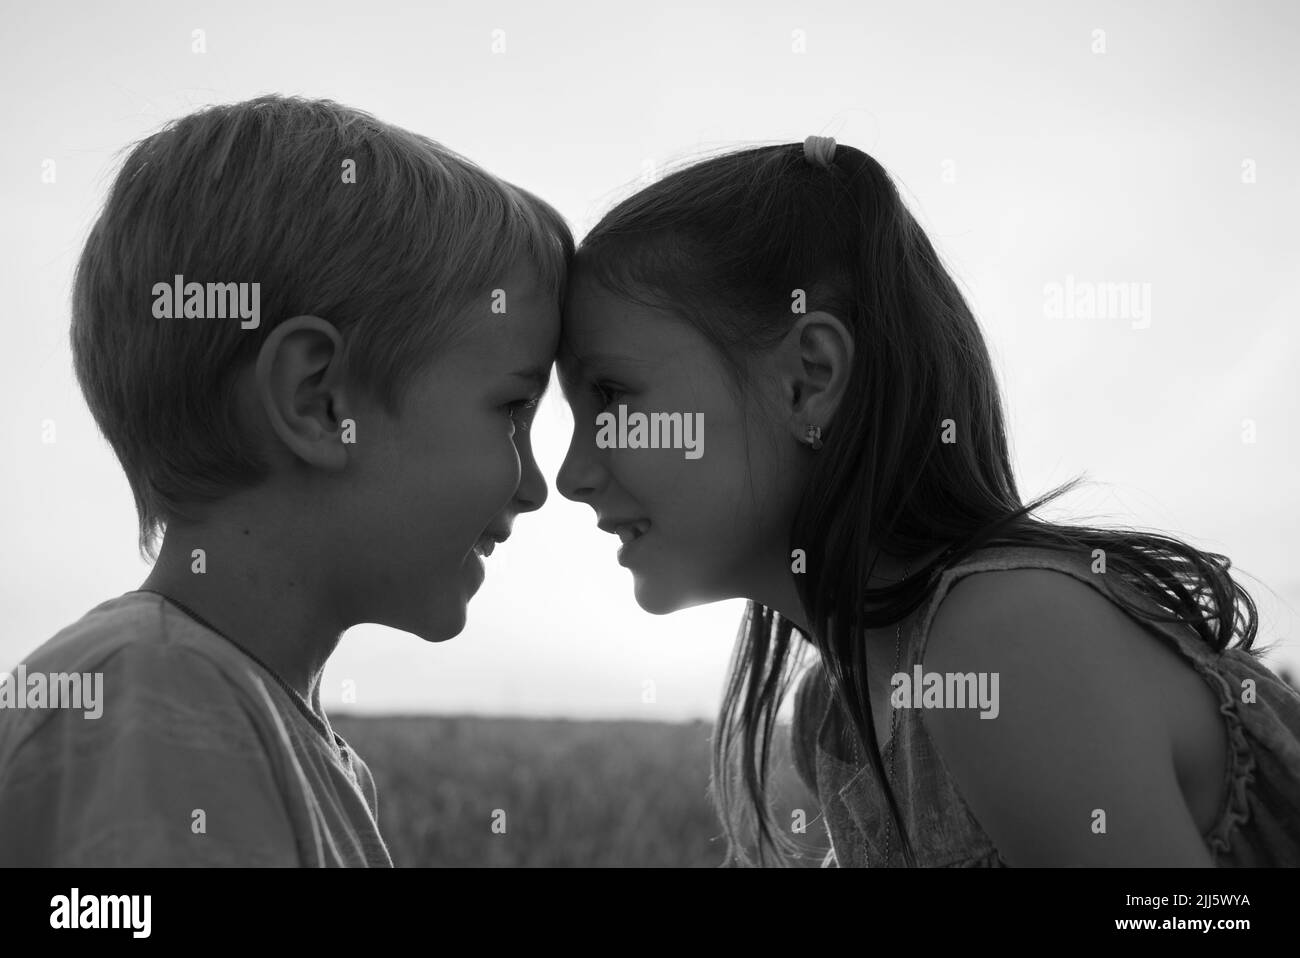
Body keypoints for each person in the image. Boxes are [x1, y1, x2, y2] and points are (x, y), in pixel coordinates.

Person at [555, 135, 1300, 866]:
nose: (570, 472)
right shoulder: (834, 713)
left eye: (613, 397)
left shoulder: (1006, 641)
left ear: (808, 379)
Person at [0, 95, 570, 866]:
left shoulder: (255, 723)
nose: (536, 485)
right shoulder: (151, 703)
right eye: (510, 410)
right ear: (319, 402)